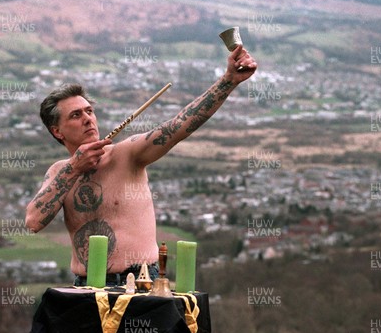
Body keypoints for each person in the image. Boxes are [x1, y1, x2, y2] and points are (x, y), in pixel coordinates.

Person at [25, 45, 257, 286]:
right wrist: (74, 168)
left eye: (90, 111)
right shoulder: (59, 172)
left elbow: (178, 127)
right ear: (57, 131)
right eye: (76, 115)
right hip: (86, 288)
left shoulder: (126, 154)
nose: (87, 119)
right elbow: (33, 222)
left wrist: (228, 81)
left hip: (139, 284)